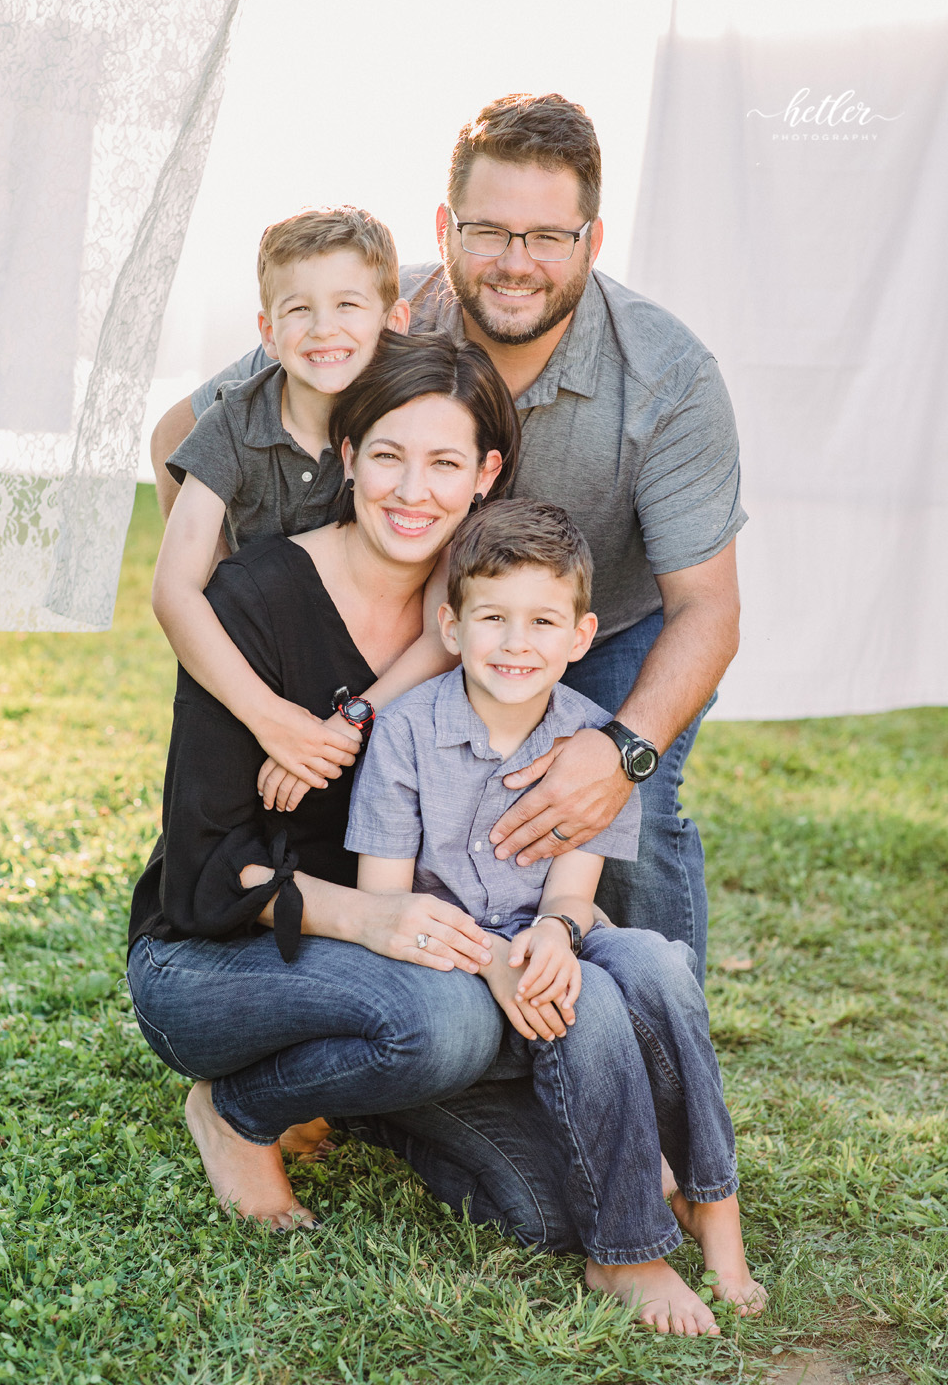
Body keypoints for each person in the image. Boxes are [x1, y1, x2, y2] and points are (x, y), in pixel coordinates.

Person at [150, 94, 746, 982]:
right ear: (444, 225)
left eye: (548, 236)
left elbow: (707, 607)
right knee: (403, 798)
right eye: (489, 231)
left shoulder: (668, 377)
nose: (516, 263)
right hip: (428, 627)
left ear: (592, 239)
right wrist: (258, 610)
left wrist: (620, 750)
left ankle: (653, 1055)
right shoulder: (374, 320)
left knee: (629, 815)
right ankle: (430, 1036)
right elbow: (181, 438)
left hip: (602, 630)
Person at [344, 500, 765, 1335]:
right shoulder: (405, 734)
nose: (516, 643)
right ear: (451, 626)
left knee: (659, 964)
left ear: (580, 636)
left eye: (542, 621)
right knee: (591, 999)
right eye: (492, 618)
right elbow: (386, 902)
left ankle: (715, 1210)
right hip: (449, 958)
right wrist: (508, 956)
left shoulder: (590, 744)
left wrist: (556, 932)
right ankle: (625, 1254)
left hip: (550, 935)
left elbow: (574, 893)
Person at [128, 330, 514, 1231]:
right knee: (446, 1024)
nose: (414, 493)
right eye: (388, 456)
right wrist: (375, 920)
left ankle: (347, 1091)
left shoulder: (482, 625)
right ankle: (235, 1111)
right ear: (348, 456)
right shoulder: (254, 598)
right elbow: (203, 867)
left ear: (485, 476)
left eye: (445, 463)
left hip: (383, 954)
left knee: (532, 1193)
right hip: (209, 957)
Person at [152, 207, 454, 811]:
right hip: (262, 672)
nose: (323, 329)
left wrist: (351, 723)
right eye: (299, 309)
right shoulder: (233, 423)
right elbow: (174, 591)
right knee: (225, 828)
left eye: (348, 305)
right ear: (267, 330)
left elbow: (442, 628)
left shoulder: (411, 424)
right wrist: (270, 717)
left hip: (380, 677)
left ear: (393, 321)